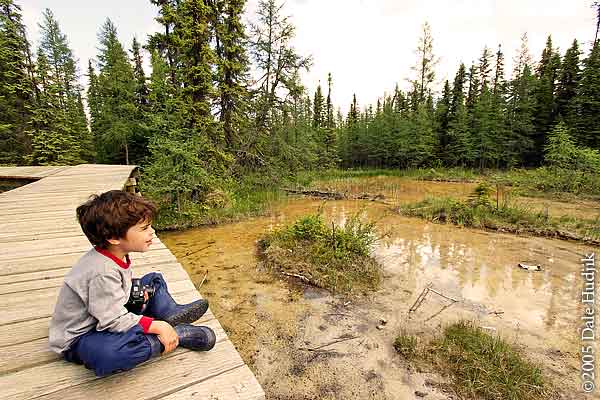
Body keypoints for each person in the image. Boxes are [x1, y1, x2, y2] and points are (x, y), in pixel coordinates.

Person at [49, 190, 215, 377]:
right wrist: (156, 327)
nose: (152, 232)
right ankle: (175, 334)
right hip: (84, 335)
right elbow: (112, 320)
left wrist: (135, 297)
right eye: (144, 228)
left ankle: (170, 313)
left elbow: (117, 292)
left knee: (153, 281)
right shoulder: (101, 272)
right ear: (113, 238)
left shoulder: (114, 253)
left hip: (106, 312)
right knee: (109, 355)